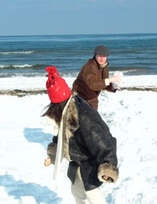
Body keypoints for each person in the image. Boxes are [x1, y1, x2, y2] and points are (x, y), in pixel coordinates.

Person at [42, 66, 119, 204]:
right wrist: (53, 154)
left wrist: (108, 165)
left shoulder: (84, 116)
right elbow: (62, 136)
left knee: (92, 194)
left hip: (90, 162)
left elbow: (103, 140)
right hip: (77, 163)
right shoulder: (67, 112)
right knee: (77, 192)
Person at [72, 45, 121, 110]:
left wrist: (114, 87)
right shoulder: (90, 66)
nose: (102, 58)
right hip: (80, 98)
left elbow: (103, 83)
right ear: (95, 55)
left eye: (104, 56)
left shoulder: (104, 66)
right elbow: (93, 85)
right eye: (99, 56)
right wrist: (109, 80)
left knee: (94, 119)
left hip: (93, 98)